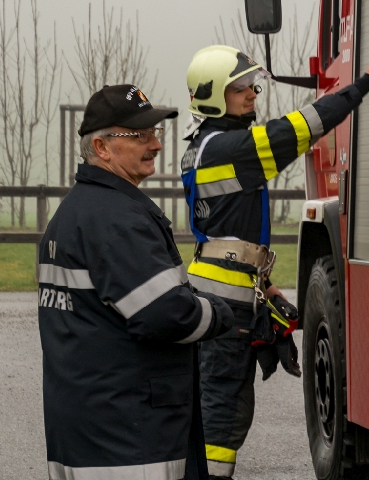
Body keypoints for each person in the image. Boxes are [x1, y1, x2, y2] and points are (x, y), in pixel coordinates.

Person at [181, 31, 369, 479]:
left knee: (214, 409)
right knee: (222, 417)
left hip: (219, 288)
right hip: (225, 306)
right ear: (213, 97)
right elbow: (304, 126)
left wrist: (265, 287)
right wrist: (365, 82)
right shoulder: (233, 149)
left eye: (252, 85)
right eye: (240, 87)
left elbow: (227, 225)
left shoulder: (202, 147)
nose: (252, 93)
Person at [38, 84, 237, 480]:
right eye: (140, 135)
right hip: (128, 442)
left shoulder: (72, 213)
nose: (156, 145)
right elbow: (166, 314)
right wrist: (222, 314)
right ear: (101, 147)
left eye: (154, 133)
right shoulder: (117, 220)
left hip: (85, 430)